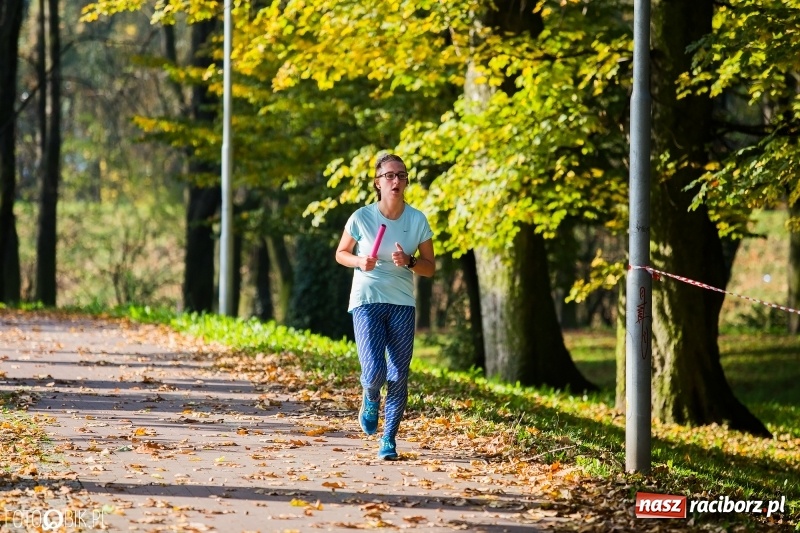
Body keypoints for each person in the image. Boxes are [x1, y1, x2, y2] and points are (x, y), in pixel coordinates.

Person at [335, 153, 435, 460]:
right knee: (375, 370)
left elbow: (430, 268)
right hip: (367, 300)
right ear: (378, 183)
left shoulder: (417, 220)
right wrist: (359, 261)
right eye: (389, 176)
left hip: (402, 303)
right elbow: (341, 253)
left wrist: (410, 261)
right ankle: (369, 396)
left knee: (398, 374)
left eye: (401, 175)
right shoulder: (362, 217)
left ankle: (388, 439)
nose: (396, 180)